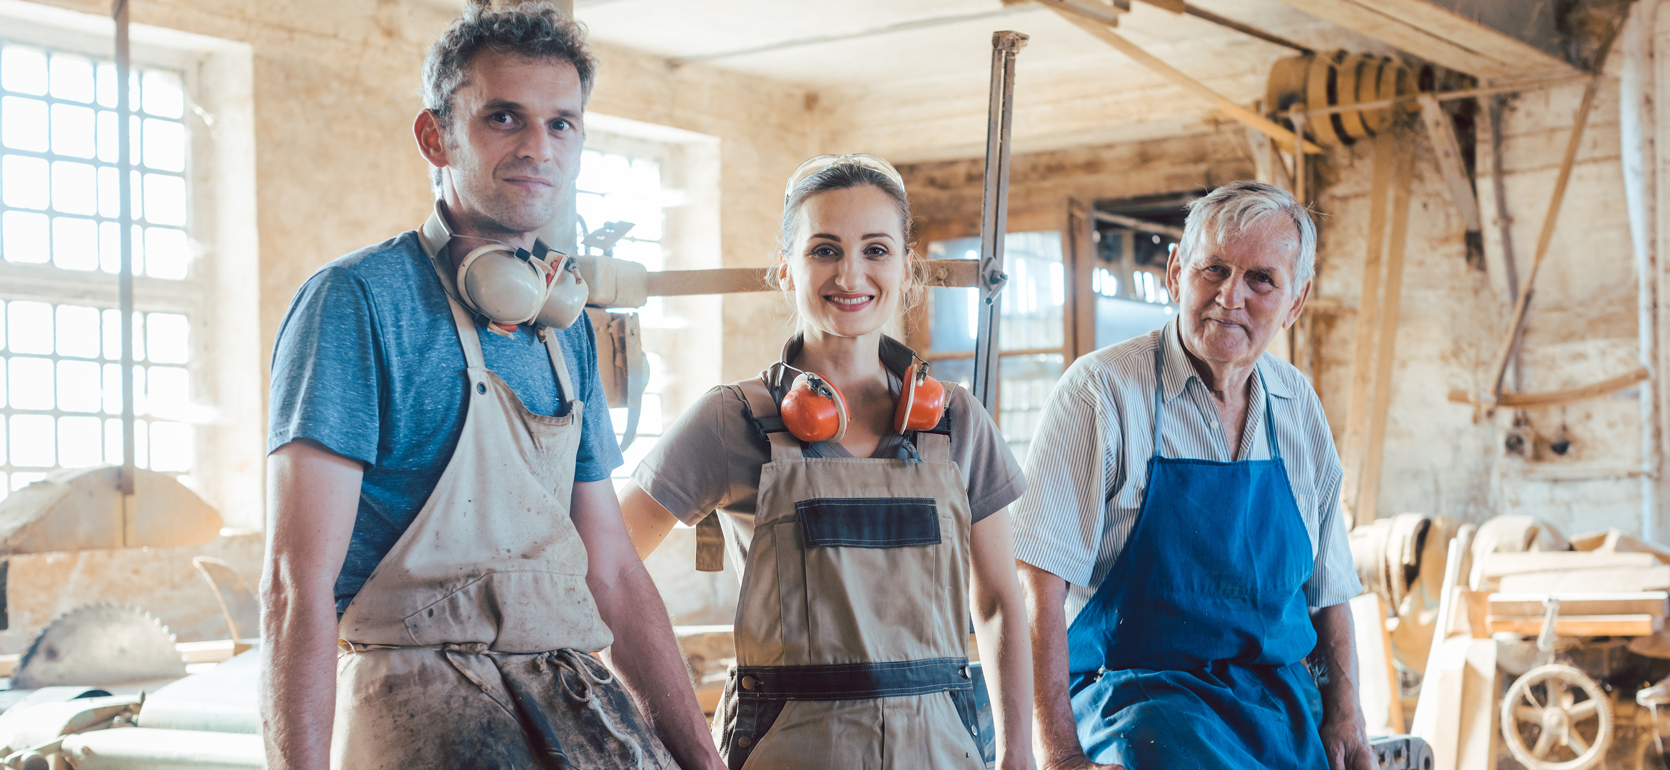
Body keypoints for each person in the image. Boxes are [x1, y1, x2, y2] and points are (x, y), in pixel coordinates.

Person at [259, 4, 723, 768]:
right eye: (503, 118)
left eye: (561, 124)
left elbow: (610, 567)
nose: (537, 147)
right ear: (434, 136)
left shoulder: (562, 324)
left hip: (571, 700)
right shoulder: (358, 302)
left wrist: (700, 759)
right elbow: (294, 585)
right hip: (421, 709)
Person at [617, 154, 1036, 769]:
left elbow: (999, 601)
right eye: (823, 250)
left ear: (906, 267)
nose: (851, 273)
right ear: (785, 271)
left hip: (943, 754)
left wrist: (1017, 757)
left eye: (875, 249)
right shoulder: (731, 421)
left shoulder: (957, 422)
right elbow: (601, 568)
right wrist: (685, 740)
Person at [1013, 181, 1375, 770]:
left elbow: (1328, 589)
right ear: (1176, 271)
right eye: (1214, 269)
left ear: (1296, 301)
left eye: (1261, 279)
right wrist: (1057, 756)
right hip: (1140, 701)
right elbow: (1038, 588)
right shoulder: (1102, 392)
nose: (1231, 295)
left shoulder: (1296, 404)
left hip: (1279, 708)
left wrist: (1346, 716)